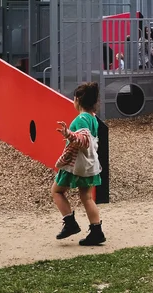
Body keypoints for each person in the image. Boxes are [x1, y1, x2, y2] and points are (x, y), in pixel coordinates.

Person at [52, 82, 105, 246]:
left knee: (56, 191)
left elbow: (83, 140)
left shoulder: (81, 119)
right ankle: (97, 231)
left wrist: (69, 134)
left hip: (76, 164)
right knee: (87, 197)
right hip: (91, 164)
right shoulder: (93, 118)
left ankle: (70, 223)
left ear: (77, 100)